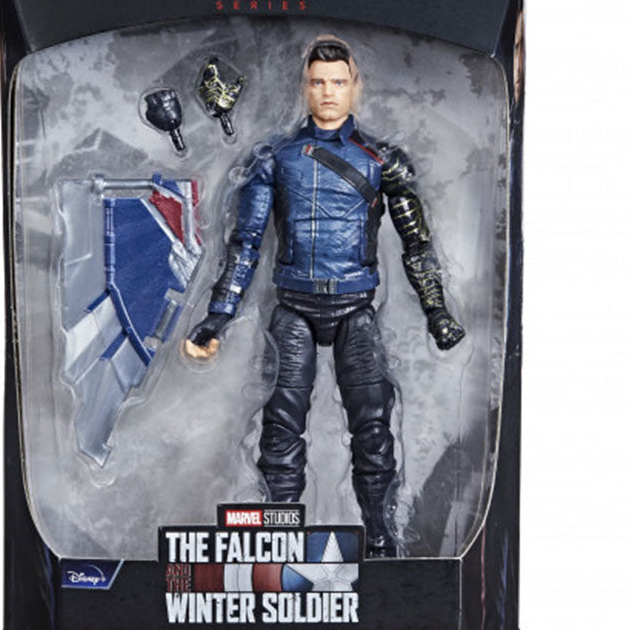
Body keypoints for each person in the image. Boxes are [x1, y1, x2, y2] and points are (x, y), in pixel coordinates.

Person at [184, 37, 464, 556]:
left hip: (356, 308)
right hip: (293, 307)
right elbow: (244, 245)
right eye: (318, 82)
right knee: (280, 432)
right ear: (304, 87)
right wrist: (217, 317)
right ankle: (279, 541)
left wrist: (438, 313)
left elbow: (418, 246)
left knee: (373, 431)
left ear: (355, 86)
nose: (328, 92)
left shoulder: (383, 161)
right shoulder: (273, 158)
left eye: (338, 82)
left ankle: (380, 540)